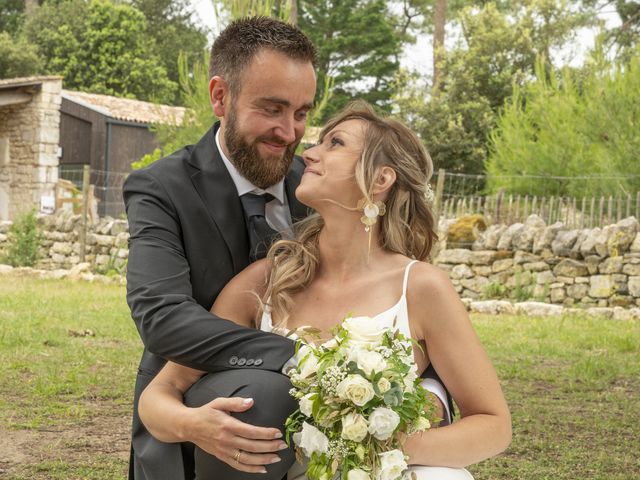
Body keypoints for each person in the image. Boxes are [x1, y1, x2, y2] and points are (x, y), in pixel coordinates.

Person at [124, 16, 451, 480]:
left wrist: (422, 395)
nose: (291, 132)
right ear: (220, 96)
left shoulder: (323, 185)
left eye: (302, 113)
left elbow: (414, 326)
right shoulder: (161, 188)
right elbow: (162, 319)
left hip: (342, 434)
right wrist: (309, 360)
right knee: (262, 395)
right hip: (210, 408)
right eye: (272, 109)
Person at [138, 101, 512, 480]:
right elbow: (158, 396)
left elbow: (494, 425)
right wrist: (193, 425)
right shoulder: (264, 282)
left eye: (334, 143)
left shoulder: (421, 287)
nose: (309, 153)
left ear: (380, 180)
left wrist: (378, 442)